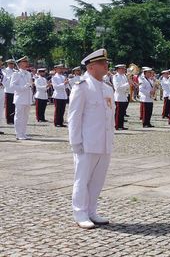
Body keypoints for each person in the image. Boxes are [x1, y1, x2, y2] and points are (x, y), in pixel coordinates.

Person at [68, 48, 114, 229]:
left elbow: (109, 117)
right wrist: (75, 142)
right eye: (103, 63)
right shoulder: (82, 87)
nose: (106, 65)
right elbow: (74, 116)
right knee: (82, 179)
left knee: (97, 180)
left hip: (103, 142)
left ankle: (92, 211)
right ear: (92, 66)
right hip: (86, 143)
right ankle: (80, 213)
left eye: (106, 62)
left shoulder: (107, 88)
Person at [11, 56, 33, 140]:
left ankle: (23, 133)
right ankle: (18, 134)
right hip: (20, 98)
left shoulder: (28, 73)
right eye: (24, 62)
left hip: (27, 98)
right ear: (19, 64)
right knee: (19, 116)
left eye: (26, 62)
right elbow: (12, 85)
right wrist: (24, 87)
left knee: (25, 117)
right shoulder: (16, 74)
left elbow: (30, 86)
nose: (26, 63)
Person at [112, 64, 130, 130]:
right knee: (118, 113)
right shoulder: (115, 77)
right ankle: (117, 125)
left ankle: (121, 125)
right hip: (119, 97)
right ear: (118, 69)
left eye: (124, 69)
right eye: (122, 69)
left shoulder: (124, 76)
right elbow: (117, 88)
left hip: (124, 96)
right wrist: (128, 84)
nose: (123, 70)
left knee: (122, 113)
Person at [3, 59, 16, 124]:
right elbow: (4, 81)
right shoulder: (5, 71)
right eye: (10, 64)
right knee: (8, 106)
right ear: (8, 64)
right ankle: (8, 119)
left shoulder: (15, 71)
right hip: (8, 90)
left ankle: (13, 119)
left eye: (13, 64)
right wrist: (12, 76)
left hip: (15, 91)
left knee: (14, 106)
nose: (12, 65)